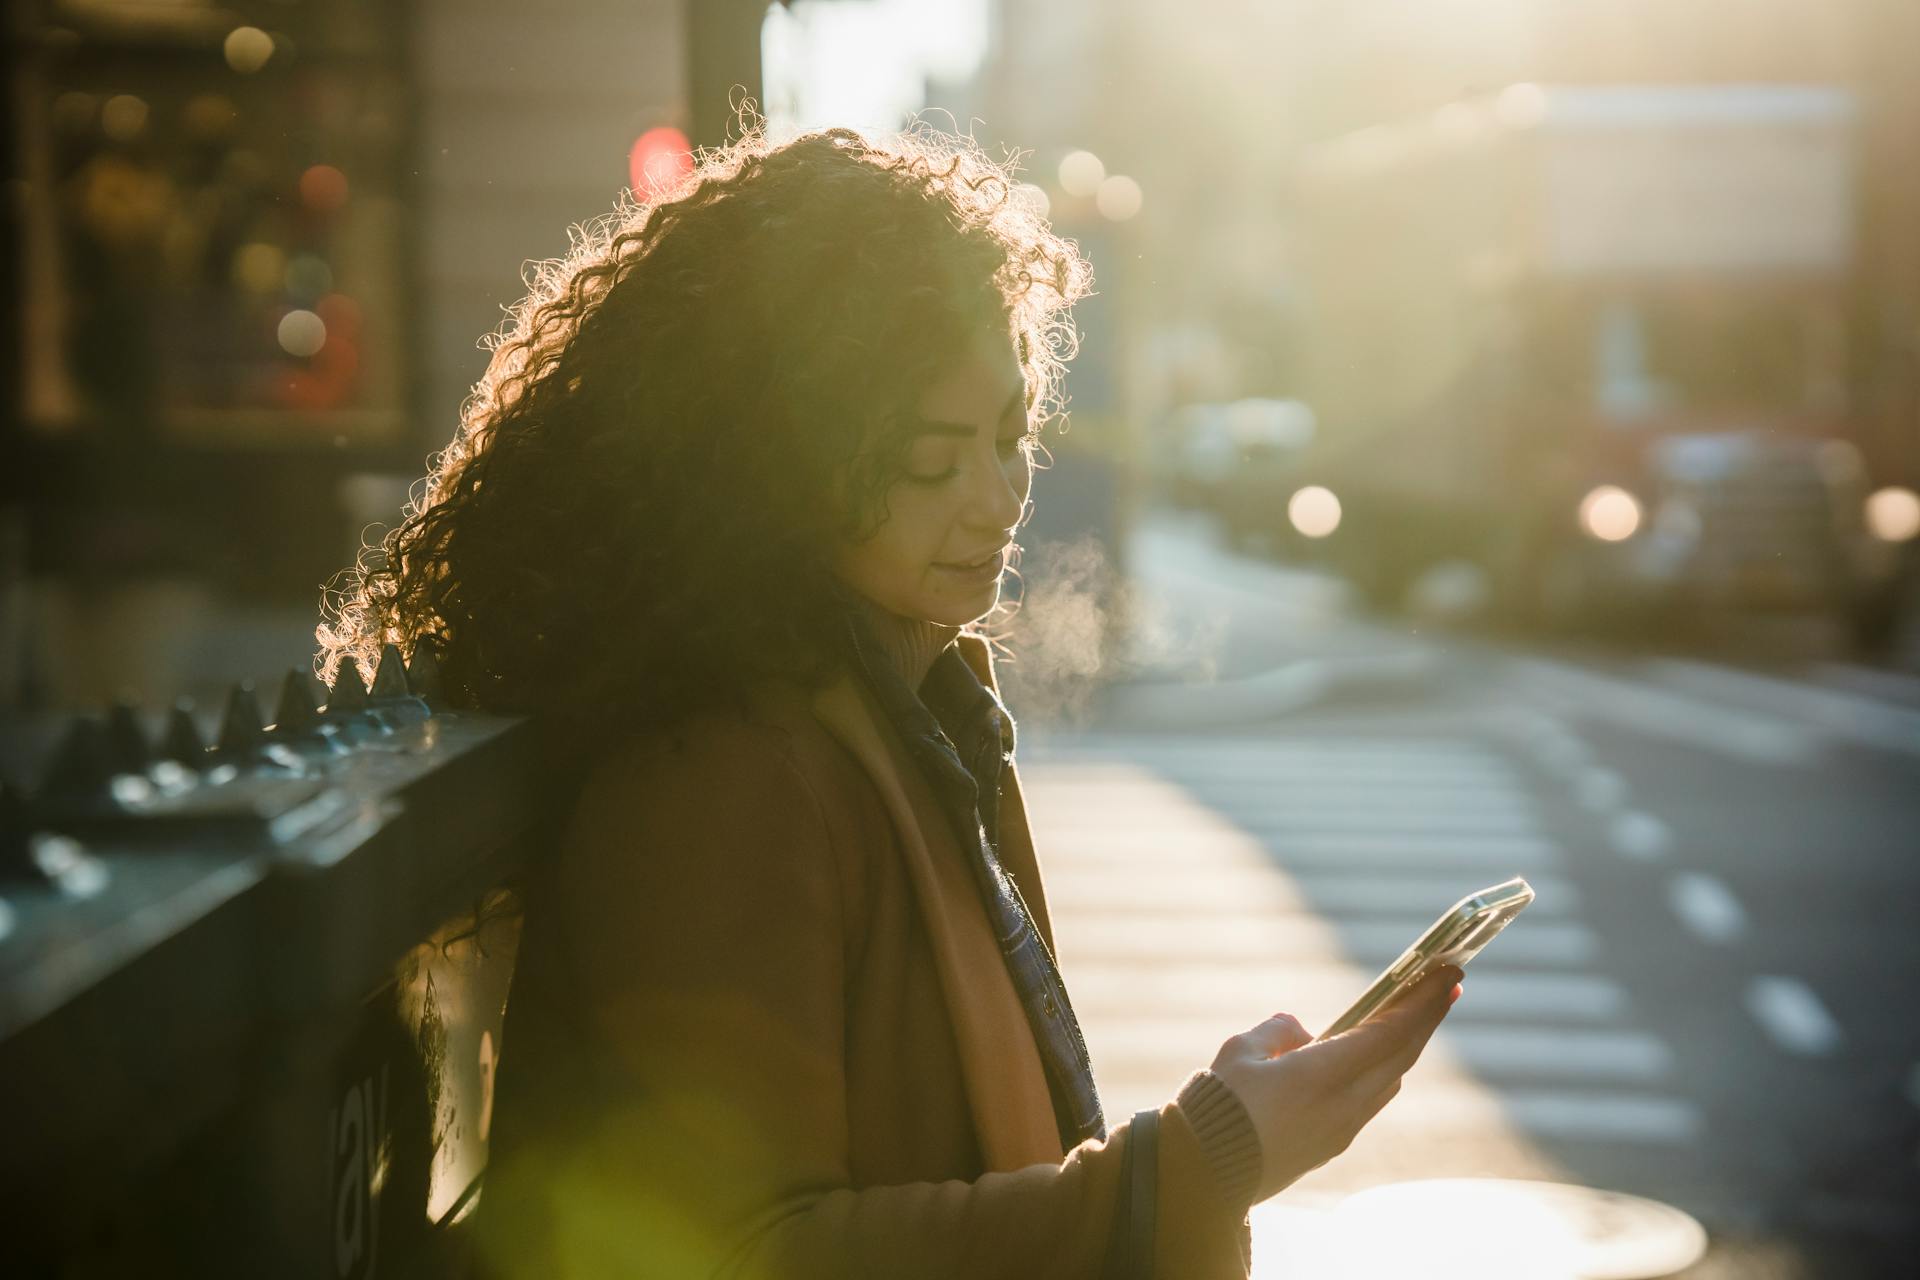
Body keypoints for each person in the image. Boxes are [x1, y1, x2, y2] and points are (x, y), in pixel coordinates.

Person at [318, 122, 1461, 1278]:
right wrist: (1210, 1157)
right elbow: (747, 1251)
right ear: (783, 457)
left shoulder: (911, 702)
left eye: (1012, 436)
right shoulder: (722, 773)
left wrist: (1221, 1138)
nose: (995, 498)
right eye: (930, 459)